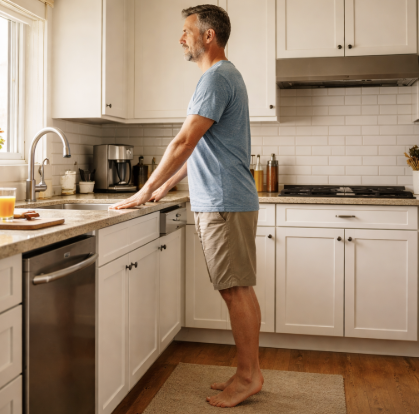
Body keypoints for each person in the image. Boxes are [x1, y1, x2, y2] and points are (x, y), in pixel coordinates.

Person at [110, 4, 262, 408]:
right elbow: (203, 149)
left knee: (236, 291)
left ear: (208, 35)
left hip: (225, 201)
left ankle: (249, 376)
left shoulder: (216, 78)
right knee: (237, 289)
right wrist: (169, 183)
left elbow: (183, 142)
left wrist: (144, 191)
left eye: (186, 30)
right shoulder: (224, 76)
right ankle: (246, 371)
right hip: (224, 198)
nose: (181, 38)